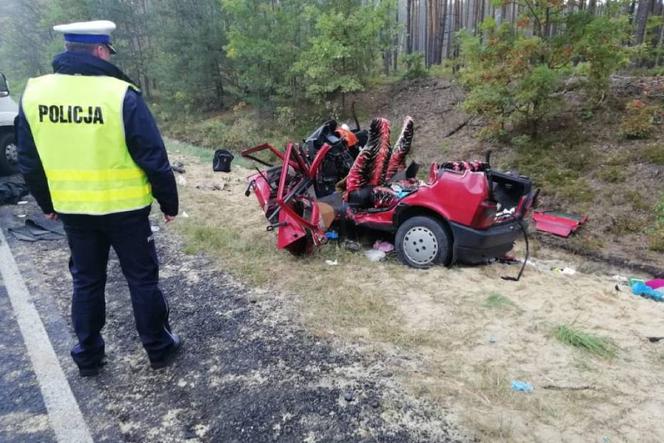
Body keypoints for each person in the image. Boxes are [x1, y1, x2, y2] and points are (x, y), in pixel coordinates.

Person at [16, 20, 182, 376]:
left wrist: (47, 203)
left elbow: (28, 161)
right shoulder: (120, 94)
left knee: (86, 281)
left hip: (74, 211)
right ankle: (158, 349)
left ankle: (88, 356)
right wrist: (169, 203)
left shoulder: (35, 93)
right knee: (141, 280)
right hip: (126, 211)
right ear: (100, 50)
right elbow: (153, 156)